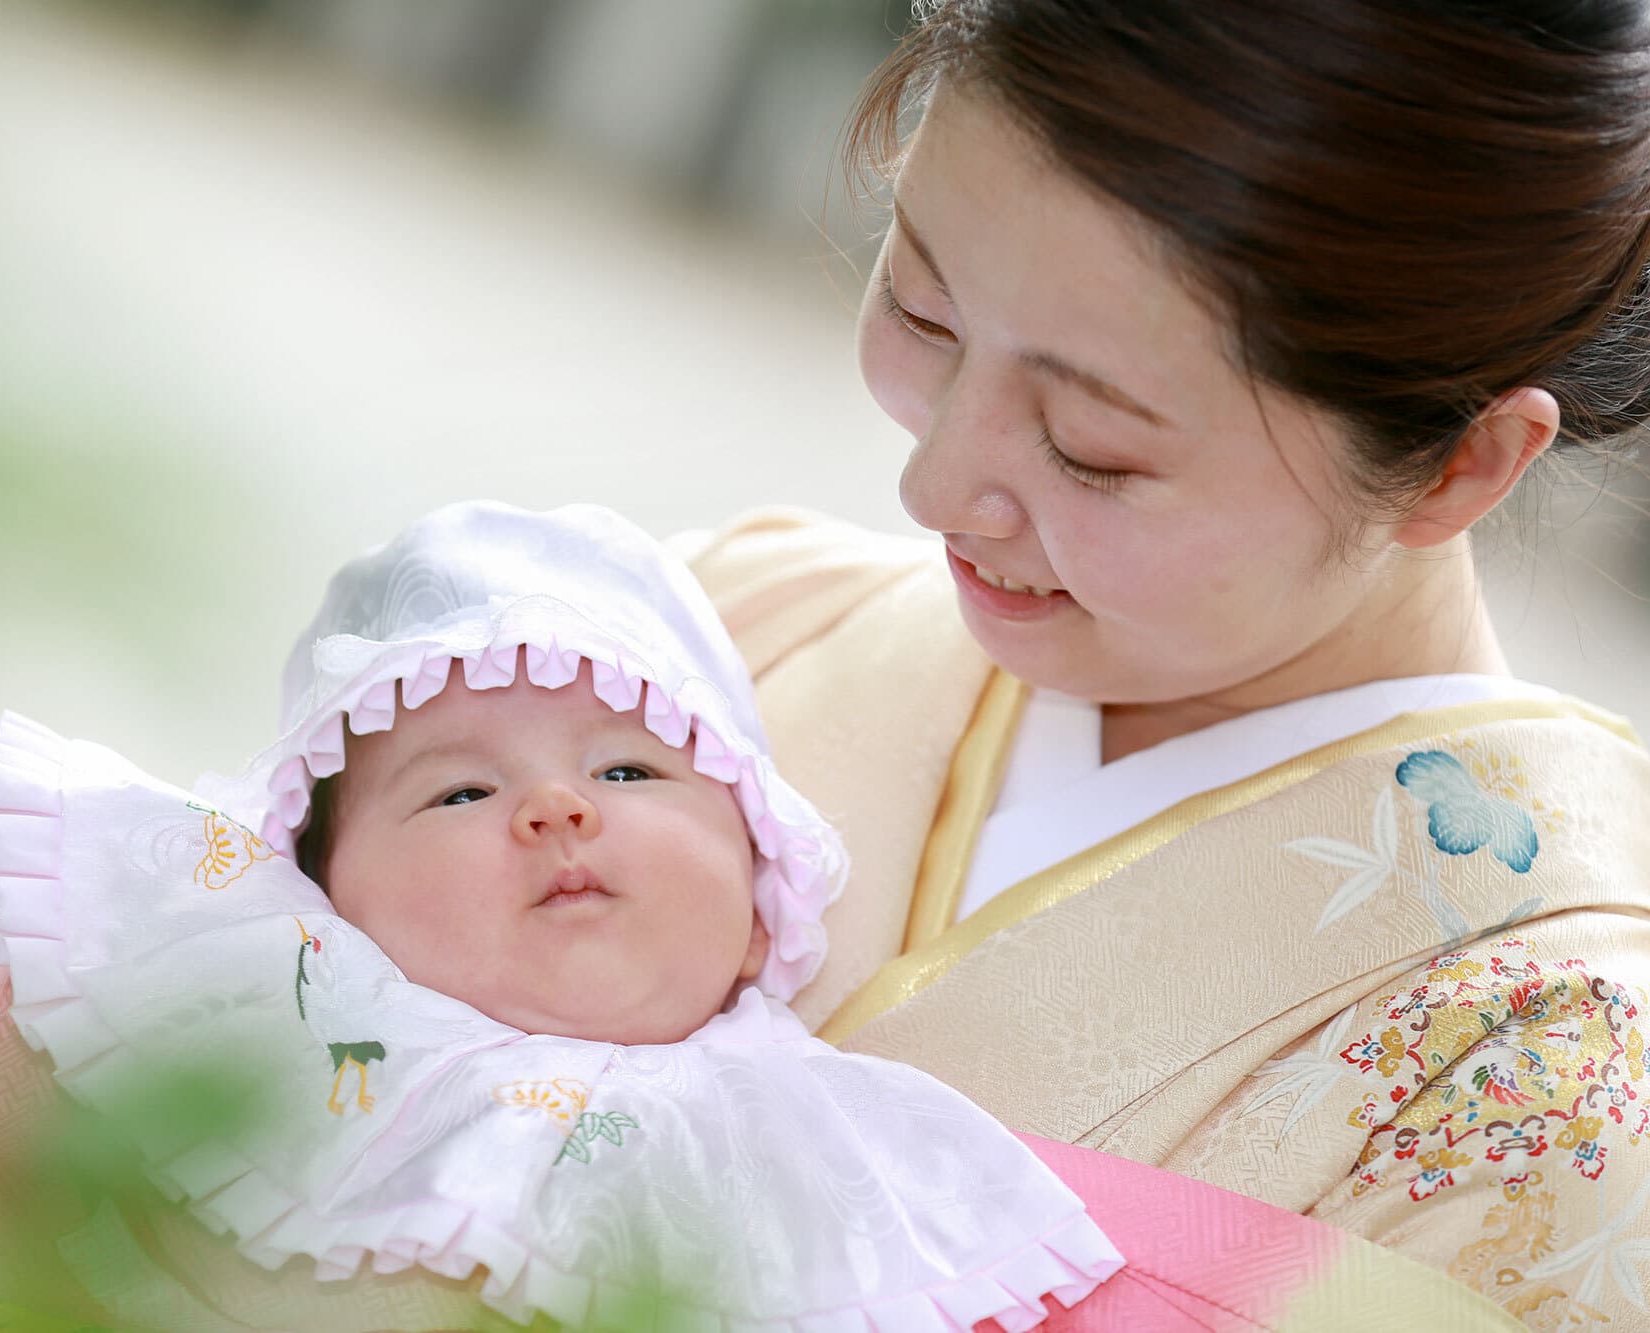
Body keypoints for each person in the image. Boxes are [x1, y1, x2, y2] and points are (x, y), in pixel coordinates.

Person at [672, 2, 1650, 1327]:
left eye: (1092, 447)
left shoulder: (1548, 1101)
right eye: (922, 308)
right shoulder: (729, 625)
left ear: (1460, 463)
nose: (934, 484)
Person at [0, 499, 1125, 1330]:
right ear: (319, 897)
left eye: (627, 771)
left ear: (767, 894)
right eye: (460, 790)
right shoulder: (252, 1042)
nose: (555, 808)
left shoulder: (837, 1155)